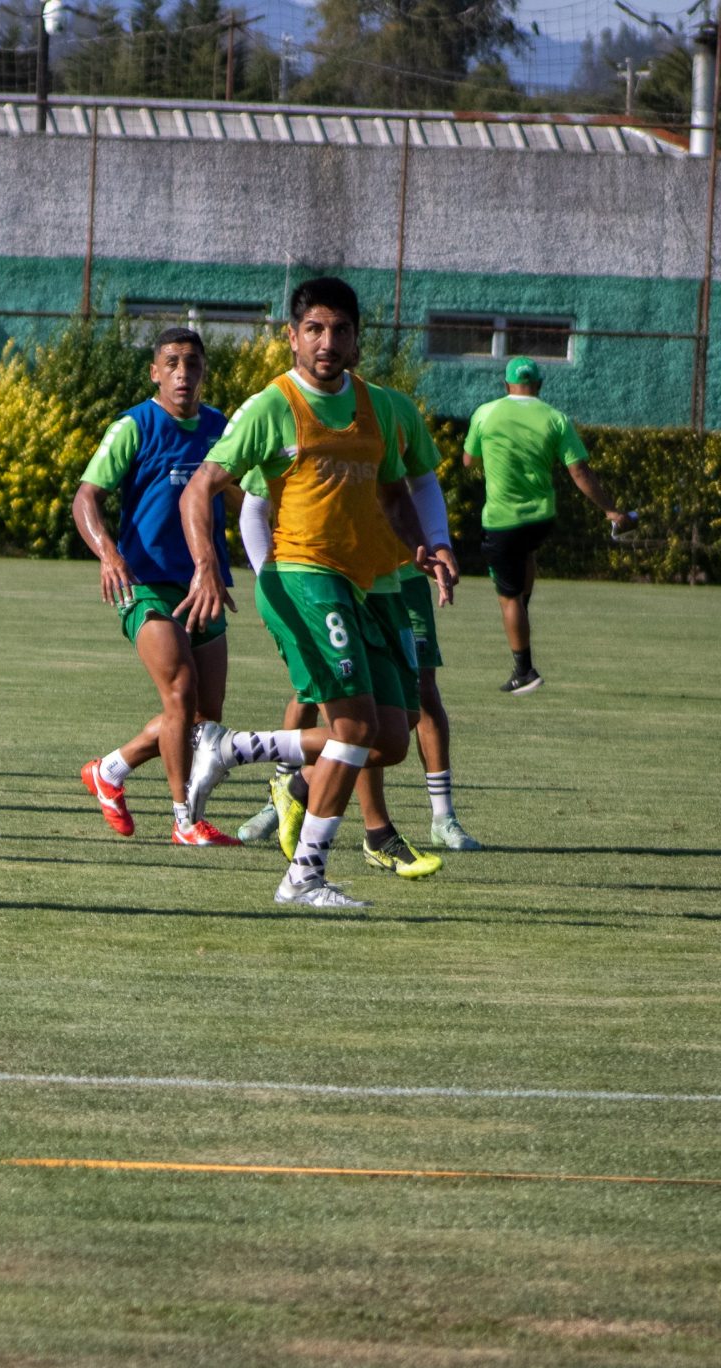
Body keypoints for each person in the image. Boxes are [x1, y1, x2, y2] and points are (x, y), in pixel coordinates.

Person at [179, 275, 454, 909]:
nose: (327, 342)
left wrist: (429, 545)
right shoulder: (271, 405)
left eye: (340, 330)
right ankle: (305, 875)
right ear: (292, 336)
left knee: (390, 738)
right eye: (314, 329)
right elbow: (201, 489)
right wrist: (206, 564)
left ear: (358, 339)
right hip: (304, 575)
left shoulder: (378, 406)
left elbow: (394, 491)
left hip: (375, 584)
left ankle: (233, 747)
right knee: (352, 726)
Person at [69, 327, 240, 847]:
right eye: (172, 363)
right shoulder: (134, 426)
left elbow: (242, 499)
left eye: (192, 363)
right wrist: (109, 553)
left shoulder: (220, 429)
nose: (183, 373)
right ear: (154, 372)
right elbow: (85, 498)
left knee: (201, 721)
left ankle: (110, 770)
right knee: (181, 694)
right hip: (143, 583)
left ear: (204, 371)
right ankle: (184, 820)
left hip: (203, 587)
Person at [464, 356, 631, 695]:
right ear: (539, 385)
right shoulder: (556, 418)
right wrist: (611, 510)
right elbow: (579, 472)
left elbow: (469, 460)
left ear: (506, 385)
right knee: (525, 556)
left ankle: (524, 671)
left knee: (507, 596)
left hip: (501, 519)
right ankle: (520, 615)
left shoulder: (486, 412)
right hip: (541, 518)